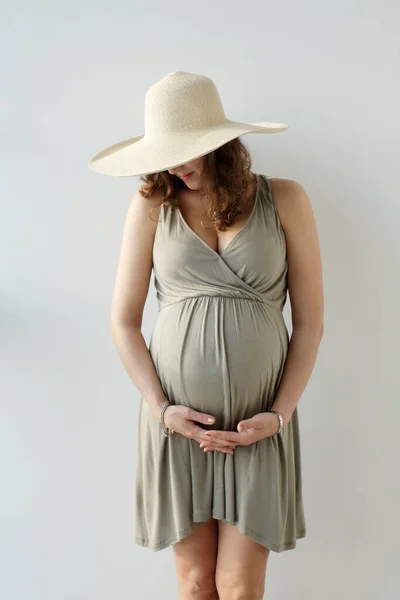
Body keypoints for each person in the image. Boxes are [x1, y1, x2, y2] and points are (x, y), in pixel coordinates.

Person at [88, 71, 324, 599]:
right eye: (166, 152)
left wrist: (279, 414)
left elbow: (309, 324)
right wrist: (161, 408)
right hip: (176, 425)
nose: (176, 163)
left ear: (220, 142)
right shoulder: (152, 208)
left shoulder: (286, 199)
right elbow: (123, 323)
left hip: (258, 425)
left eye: (187, 148)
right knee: (195, 585)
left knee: (238, 586)